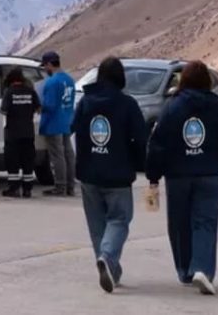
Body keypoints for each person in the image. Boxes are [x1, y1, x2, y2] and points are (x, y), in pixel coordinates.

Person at [146, 60, 218, 295]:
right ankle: (202, 269)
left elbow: (157, 144)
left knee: (179, 224)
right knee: (205, 222)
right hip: (210, 174)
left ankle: (185, 269)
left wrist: (153, 176)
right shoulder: (216, 108)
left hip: (178, 175)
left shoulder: (171, 108)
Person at [72, 56, 148, 293]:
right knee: (119, 220)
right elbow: (141, 137)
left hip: (88, 173)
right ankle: (107, 257)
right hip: (118, 174)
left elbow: (72, 128)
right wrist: (140, 163)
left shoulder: (85, 102)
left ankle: (109, 268)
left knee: (97, 225)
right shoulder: (128, 104)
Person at [39, 51, 77, 197]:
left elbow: (50, 105)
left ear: (49, 64)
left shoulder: (52, 82)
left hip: (53, 123)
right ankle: (70, 186)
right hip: (66, 120)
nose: (45, 69)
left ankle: (60, 186)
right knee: (68, 153)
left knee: (57, 155)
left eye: (45, 66)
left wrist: (39, 106)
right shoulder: (69, 80)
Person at [0, 68, 41, 198]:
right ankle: (27, 189)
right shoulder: (31, 91)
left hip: (13, 133)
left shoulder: (9, 92)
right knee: (28, 160)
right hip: (28, 132)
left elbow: (3, 111)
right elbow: (39, 108)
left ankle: (14, 188)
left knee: (13, 161)